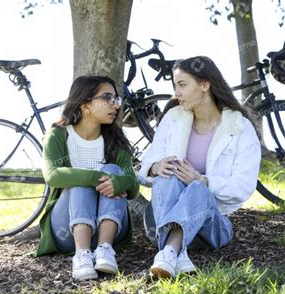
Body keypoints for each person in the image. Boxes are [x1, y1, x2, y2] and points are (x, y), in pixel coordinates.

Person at [139, 56, 261, 279]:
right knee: (169, 174)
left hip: (211, 226)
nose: (177, 93)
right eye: (176, 86)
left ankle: (170, 251)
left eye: (183, 85)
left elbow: (243, 187)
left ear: (205, 85)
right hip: (159, 221)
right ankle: (176, 253)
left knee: (197, 189)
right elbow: (145, 168)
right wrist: (155, 167)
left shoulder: (238, 127)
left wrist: (203, 181)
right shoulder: (172, 119)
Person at [33, 75, 139, 281]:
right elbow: (53, 175)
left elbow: (133, 185)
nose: (115, 105)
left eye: (116, 99)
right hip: (66, 230)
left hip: (111, 228)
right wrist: (96, 177)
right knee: (80, 179)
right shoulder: (59, 134)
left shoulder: (115, 139)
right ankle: (81, 255)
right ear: (85, 105)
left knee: (113, 171)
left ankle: (105, 249)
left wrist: (118, 181)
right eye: (107, 98)